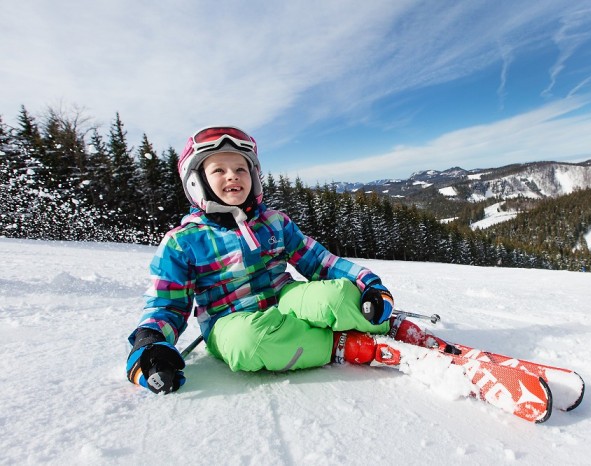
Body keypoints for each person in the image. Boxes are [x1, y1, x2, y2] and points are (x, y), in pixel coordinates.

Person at [126, 126, 396, 394]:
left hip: (284, 296)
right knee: (248, 343)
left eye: (241, 169)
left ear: (254, 177)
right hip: (230, 318)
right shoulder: (183, 241)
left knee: (333, 297)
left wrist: (367, 282)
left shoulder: (274, 222)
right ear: (197, 182)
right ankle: (337, 343)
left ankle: (382, 322)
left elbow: (318, 261)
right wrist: (149, 342)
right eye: (219, 170)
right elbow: (167, 305)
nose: (233, 175)